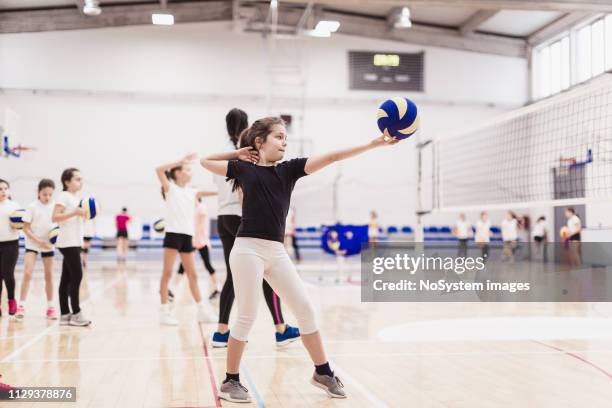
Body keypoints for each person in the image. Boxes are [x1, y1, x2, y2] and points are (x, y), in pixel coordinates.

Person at [200, 116, 398, 402]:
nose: (284, 142)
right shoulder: (243, 169)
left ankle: (323, 371)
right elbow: (206, 161)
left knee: (305, 308)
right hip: (247, 249)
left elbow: (332, 156)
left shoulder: (289, 170)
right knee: (247, 314)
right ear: (260, 142)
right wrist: (237, 153)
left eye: (285, 138)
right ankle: (230, 380)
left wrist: (372, 145)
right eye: (279, 137)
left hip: (276, 251)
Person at [211, 108, 299, 349]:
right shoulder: (249, 152)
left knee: (233, 274)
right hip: (243, 218)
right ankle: (281, 329)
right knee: (268, 273)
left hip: (222, 217)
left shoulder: (226, 152)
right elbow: (243, 189)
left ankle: (221, 331)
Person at [155, 155, 217, 326]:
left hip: (187, 236)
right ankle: (164, 311)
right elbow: (159, 170)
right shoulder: (170, 188)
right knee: (167, 273)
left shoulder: (193, 192)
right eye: (187, 169)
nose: (190, 172)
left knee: (193, 275)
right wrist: (179, 161)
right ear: (178, 173)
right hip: (173, 235)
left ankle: (202, 310)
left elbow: (216, 191)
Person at [52, 168, 91, 326]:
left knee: (66, 278)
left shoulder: (76, 198)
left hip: (75, 241)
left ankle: (65, 314)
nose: (80, 182)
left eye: (81, 179)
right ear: (67, 182)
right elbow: (54, 217)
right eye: (77, 179)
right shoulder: (64, 196)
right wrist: (75, 213)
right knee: (77, 276)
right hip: (67, 242)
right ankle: (76, 312)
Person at [17, 179, 57, 320]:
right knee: (27, 273)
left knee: (49, 275)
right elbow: (25, 228)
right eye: (44, 194)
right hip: (33, 244)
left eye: (50, 194)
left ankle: (50, 307)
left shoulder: (55, 207)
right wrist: (38, 241)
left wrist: (53, 239)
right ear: (38, 192)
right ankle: (21, 306)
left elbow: (59, 226)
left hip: (48, 245)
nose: (47, 197)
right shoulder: (32, 206)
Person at [177, 196, 220, 299]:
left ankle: (218, 288)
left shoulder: (201, 207)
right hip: (192, 241)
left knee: (207, 264)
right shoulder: (192, 209)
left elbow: (200, 225)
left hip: (201, 241)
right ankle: (172, 290)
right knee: (182, 265)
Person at [0, 179, 20, 318]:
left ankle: (11, 300)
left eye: (5, 188)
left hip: (11, 244)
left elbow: (22, 224)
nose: (3, 191)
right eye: (0, 189)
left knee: (8, 273)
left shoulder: (14, 206)